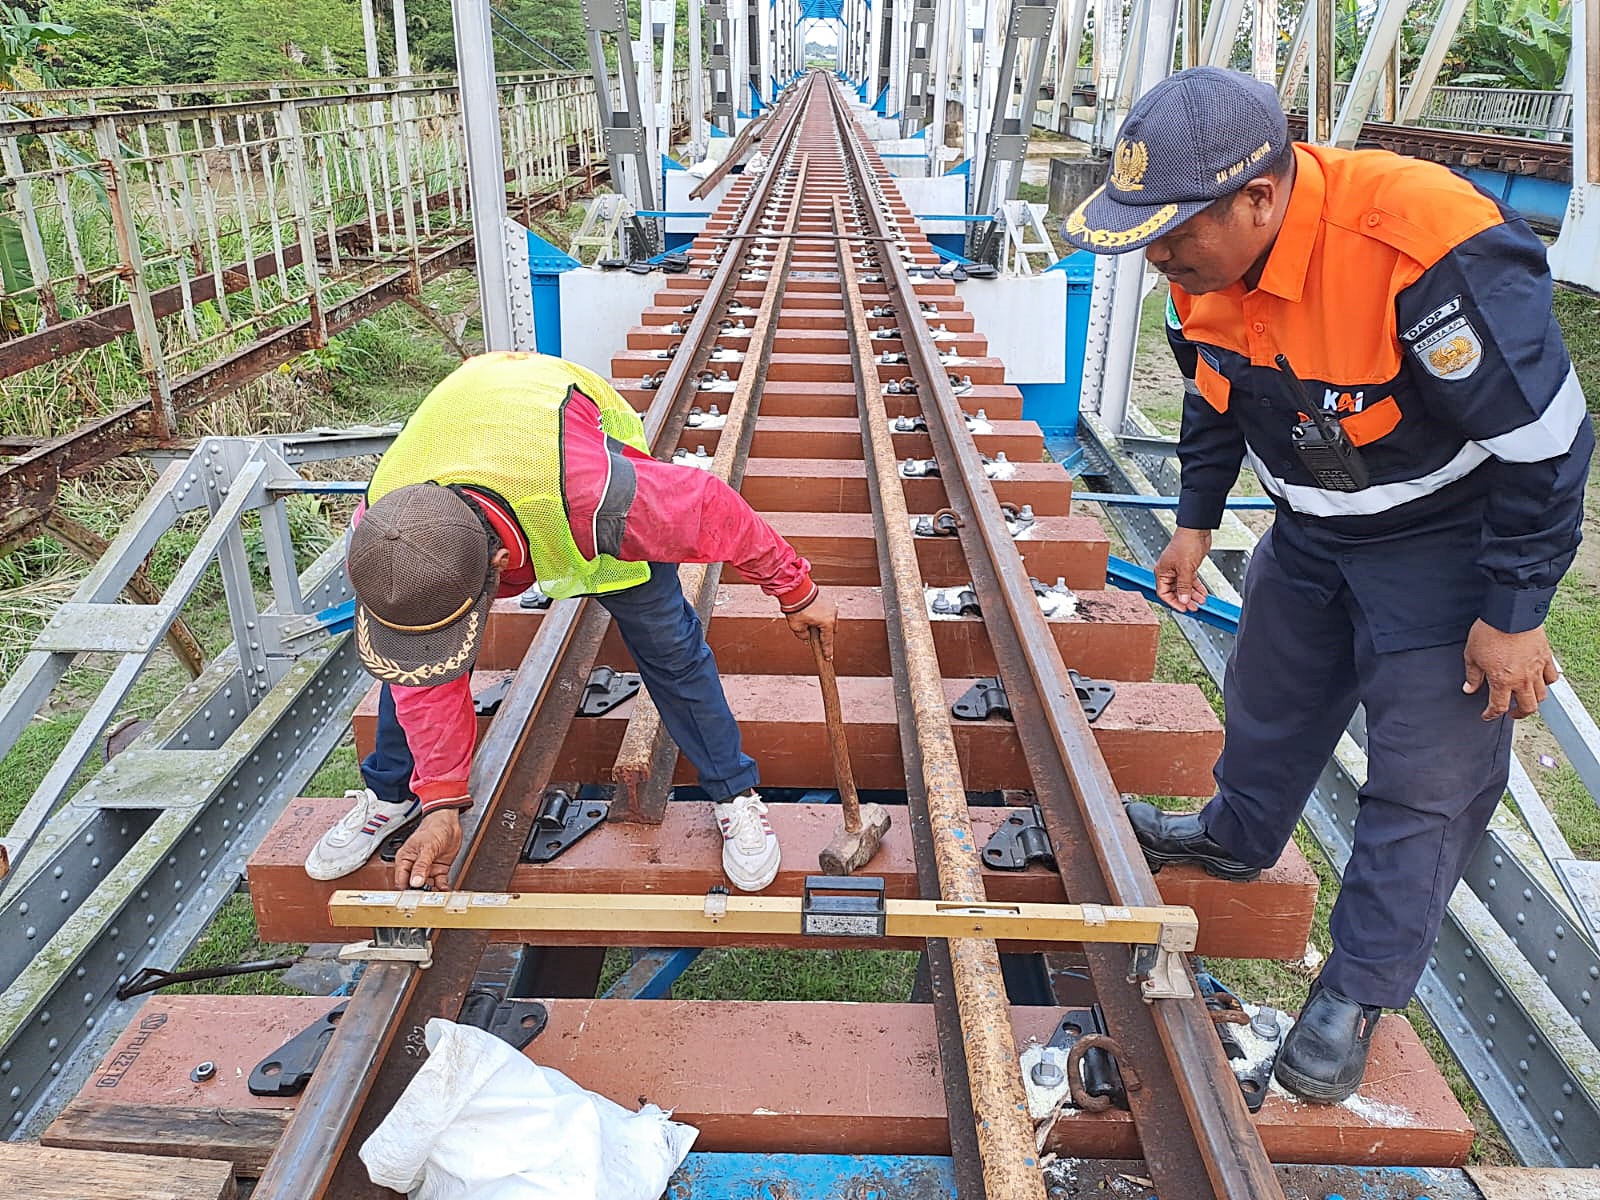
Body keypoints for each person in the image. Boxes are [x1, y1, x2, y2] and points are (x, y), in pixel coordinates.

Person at [1062, 67, 1591, 1102]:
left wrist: (1512, 612)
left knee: (1424, 779)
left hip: (1445, 539)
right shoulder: (1198, 264)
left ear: (1260, 198)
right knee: (1268, 696)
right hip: (1311, 528)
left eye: (1173, 234)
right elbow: (1216, 396)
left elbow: (1543, 443)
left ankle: (1354, 989)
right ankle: (1233, 837)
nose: (1158, 256)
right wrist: (1194, 519)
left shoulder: (1421, 245)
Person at [304, 350, 837, 894]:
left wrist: (797, 591)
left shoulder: (607, 498)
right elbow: (421, 671)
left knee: (670, 649)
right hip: (475, 413)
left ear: (500, 567)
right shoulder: (387, 532)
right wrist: (443, 799)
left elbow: (713, 507)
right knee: (416, 656)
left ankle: (734, 793)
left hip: (558, 440)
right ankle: (392, 796)